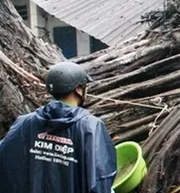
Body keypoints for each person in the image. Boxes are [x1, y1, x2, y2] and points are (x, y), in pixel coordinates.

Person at [0, 61, 117, 193]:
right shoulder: (90, 127)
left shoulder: (25, 123)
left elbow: (5, 161)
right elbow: (101, 177)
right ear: (78, 89)